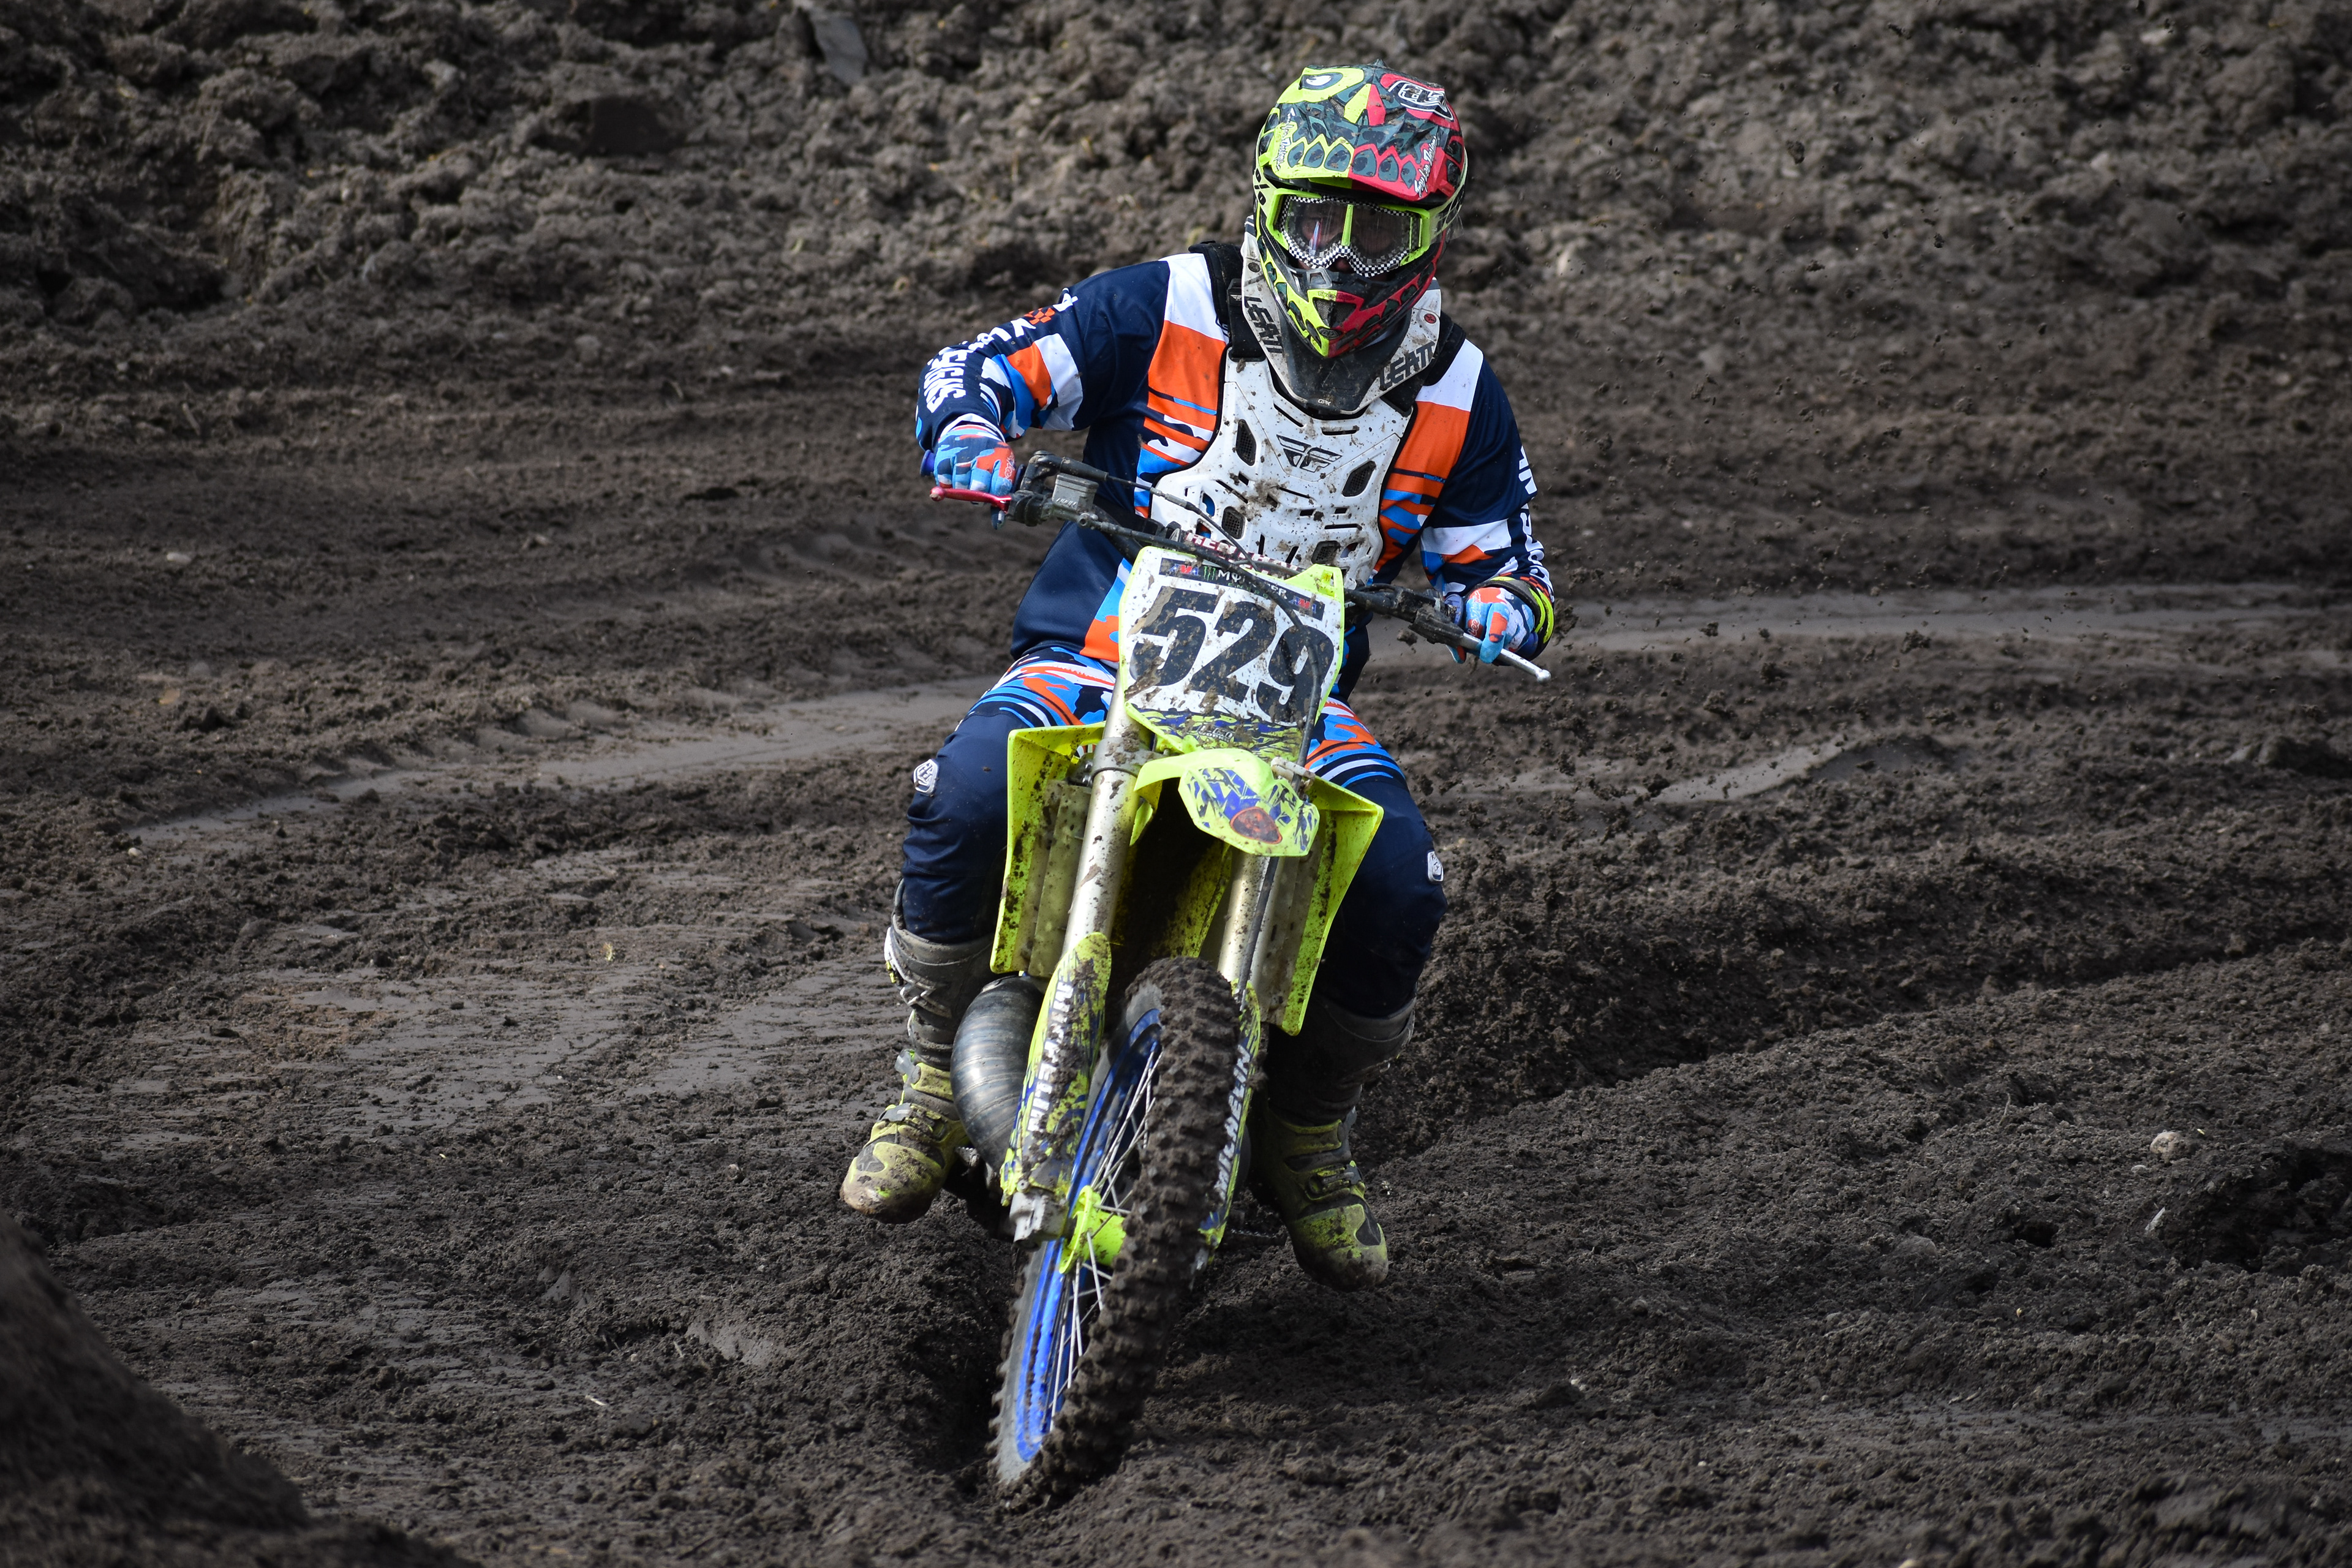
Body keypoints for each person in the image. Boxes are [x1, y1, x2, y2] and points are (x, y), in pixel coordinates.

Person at [839, 63, 1556, 1292]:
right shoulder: (1161, 304)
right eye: (1315, 222)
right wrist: (971, 431)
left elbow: (1509, 562)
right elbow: (983, 367)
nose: (1341, 260)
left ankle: (1307, 1127)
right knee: (965, 790)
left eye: (1377, 233)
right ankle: (926, 1078)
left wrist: (1499, 604)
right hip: (1101, 657)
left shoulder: (1459, 389)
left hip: (1294, 704)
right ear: (1268, 208)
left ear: (1431, 239)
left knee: (1402, 881)